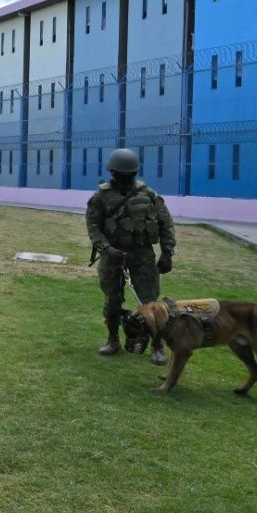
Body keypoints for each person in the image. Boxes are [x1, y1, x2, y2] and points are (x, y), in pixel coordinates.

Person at [85, 148, 176, 365]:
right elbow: (93, 228)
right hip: (113, 255)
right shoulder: (101, 197)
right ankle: (113, 339)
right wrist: (107, 249)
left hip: (143, 254)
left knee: (151, 304)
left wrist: (167, 253)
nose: (124, 178)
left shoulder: (149, 195)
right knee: (113, 300)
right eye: (119, 174)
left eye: (128, 175)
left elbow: (166, 225)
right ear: (112, 173)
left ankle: (157, 346)